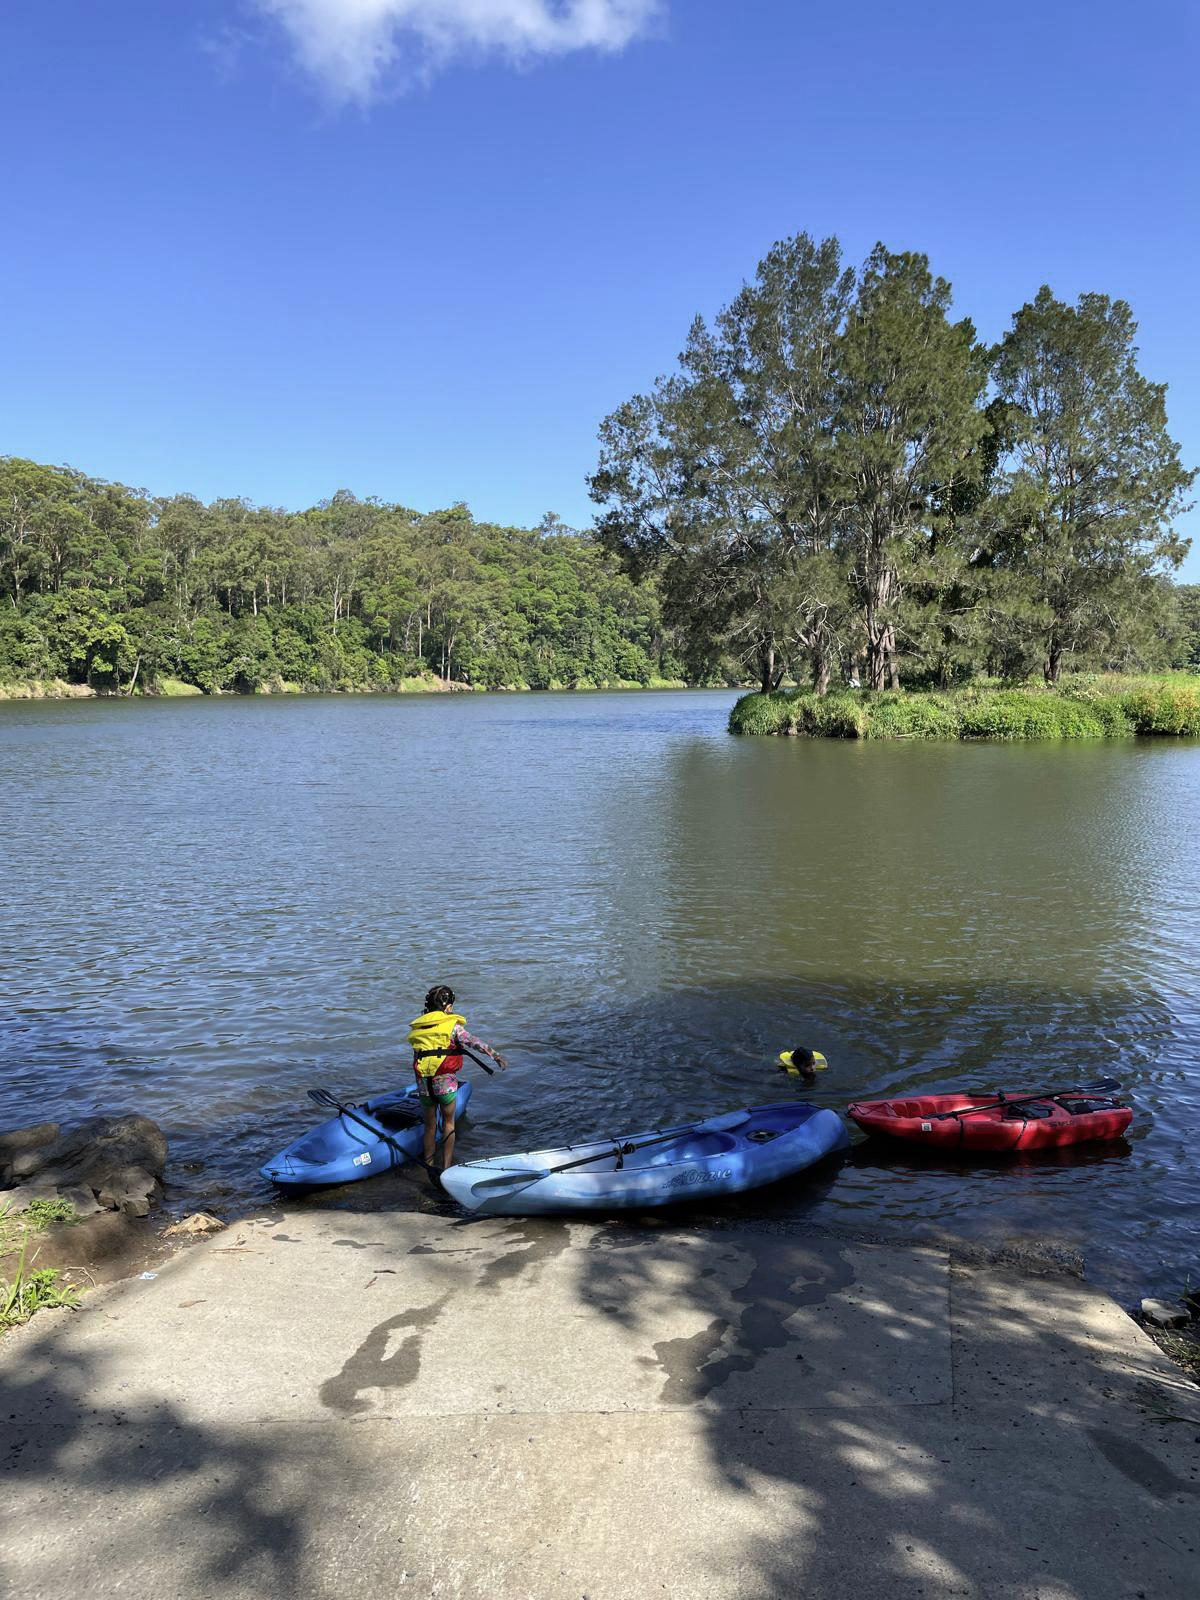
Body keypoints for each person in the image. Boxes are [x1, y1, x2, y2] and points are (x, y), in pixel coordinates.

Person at [407, 984, 506, 1174]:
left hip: (424, 1084)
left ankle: (428, 1166)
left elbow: (417, 1059)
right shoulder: (452, 1026)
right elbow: (474, 1042)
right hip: (445, 1083)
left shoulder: (418, 1029)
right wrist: (495, 1056)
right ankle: (446, 1167)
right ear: (448, 1007)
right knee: (448, 1123)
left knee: (429, 1126)